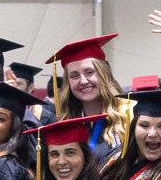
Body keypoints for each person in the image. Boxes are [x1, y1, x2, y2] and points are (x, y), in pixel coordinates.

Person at [48, 34, 135, 164]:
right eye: (74, 76)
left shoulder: (129, 114)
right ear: (68, 83)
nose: (83, 81)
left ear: (104, 74)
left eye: (90, 72)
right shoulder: (66, 122)